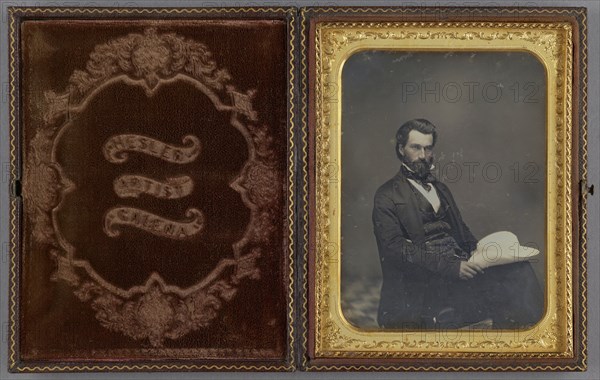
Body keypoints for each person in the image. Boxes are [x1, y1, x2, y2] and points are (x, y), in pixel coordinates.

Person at [372, 118, 544, 329]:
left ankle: (523, 344)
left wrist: (481, 254)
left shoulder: (441, 189)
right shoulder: (386, 195)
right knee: (506, 291)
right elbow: (395, 249)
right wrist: (452, 267)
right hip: (422, 285)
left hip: (457, 271)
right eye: (415, 147)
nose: (422, 155)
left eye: (428, 148)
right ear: (401, 149)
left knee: (518, 270)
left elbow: (461, 230)